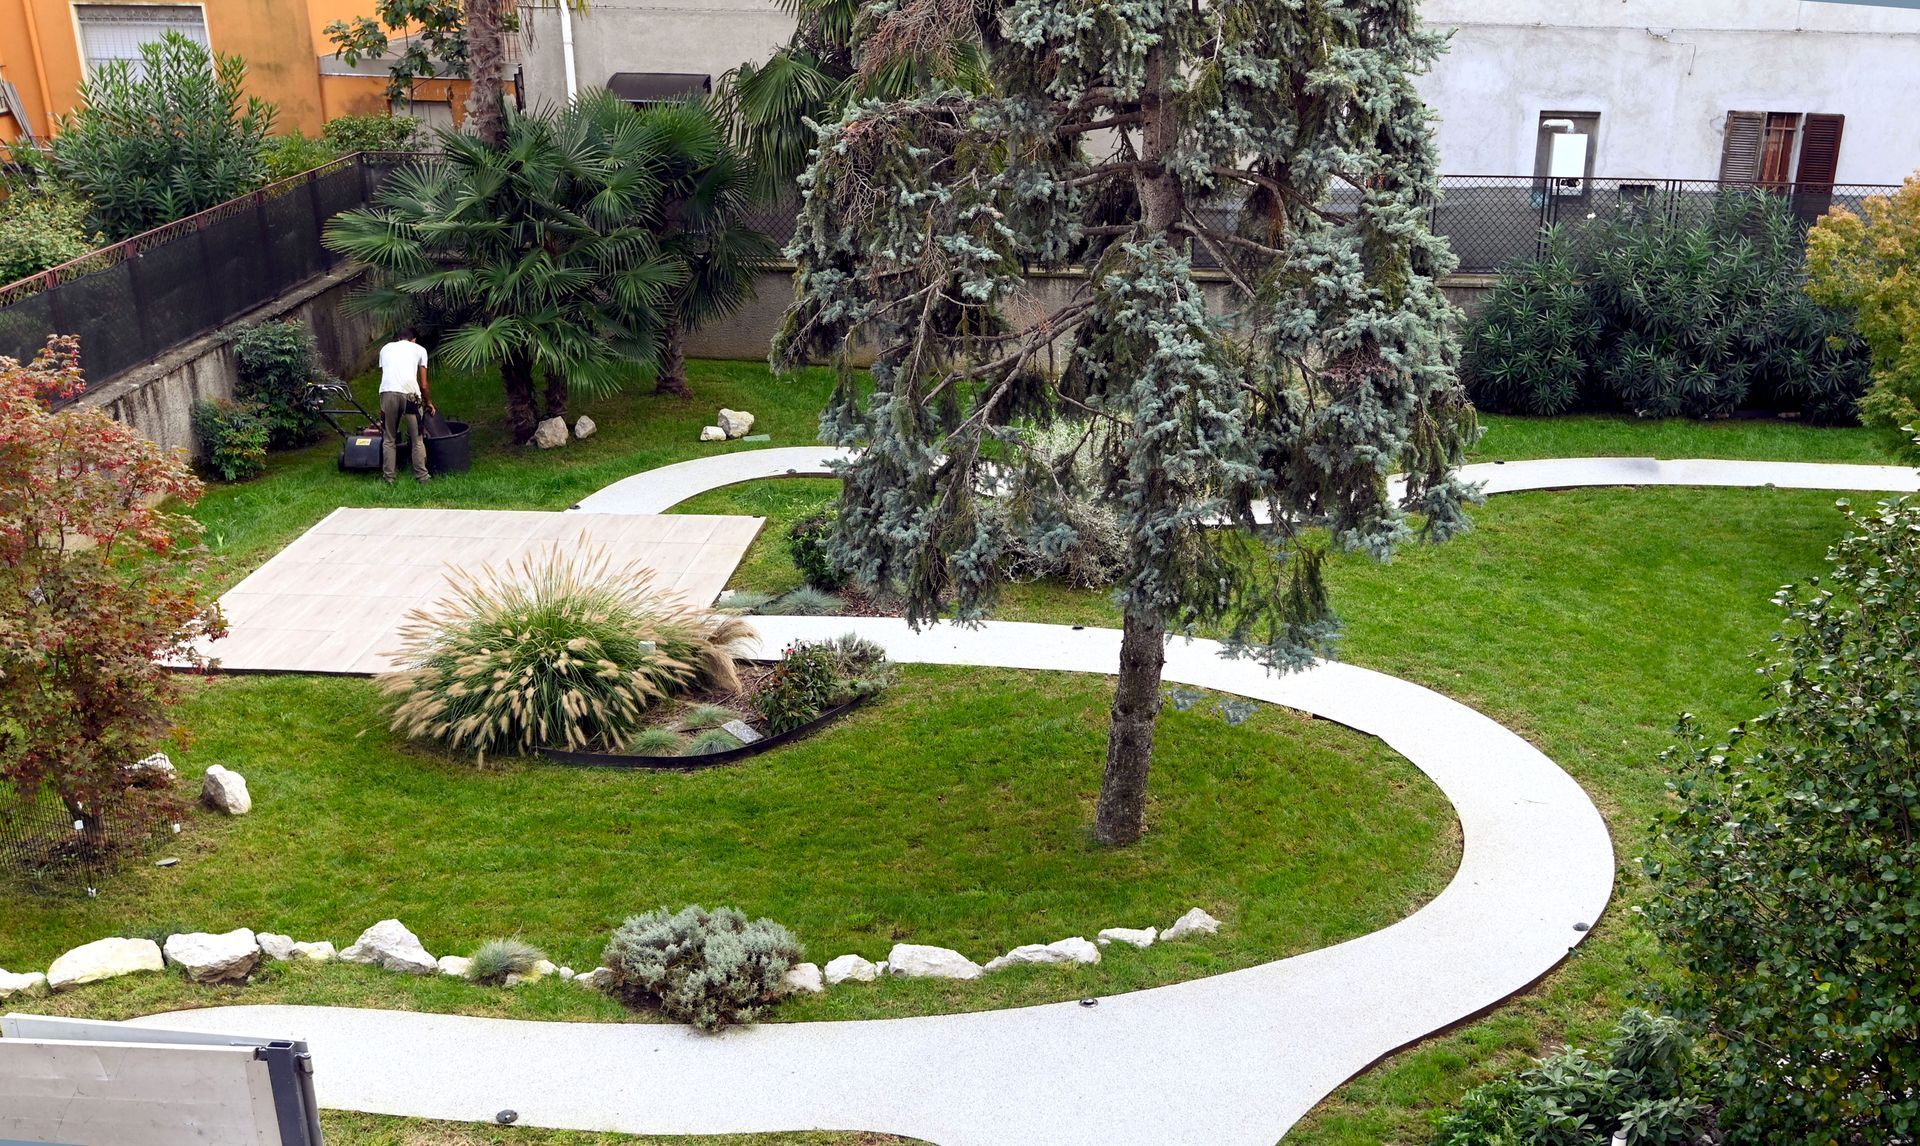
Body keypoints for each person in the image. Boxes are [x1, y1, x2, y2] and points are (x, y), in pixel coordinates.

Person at [376, 328, 434, 484]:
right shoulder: (420, 349)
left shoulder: (386, 348)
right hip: (411, 395)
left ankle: (389, 478)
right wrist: (428, 402)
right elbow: (423, 384)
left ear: (399, 338)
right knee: (417, 438)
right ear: (413, 339)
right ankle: (422, 477)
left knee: (389, 438)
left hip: (387, 393)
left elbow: (386, 372)